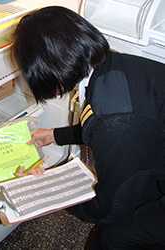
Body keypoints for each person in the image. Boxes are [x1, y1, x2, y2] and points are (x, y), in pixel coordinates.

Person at [12, 6, 165, 250]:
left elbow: (110, 207)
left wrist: (46, 194)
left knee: (113, 238)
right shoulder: (114, 65)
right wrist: (54, 135)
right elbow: (97, 124)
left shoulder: (115, 120)